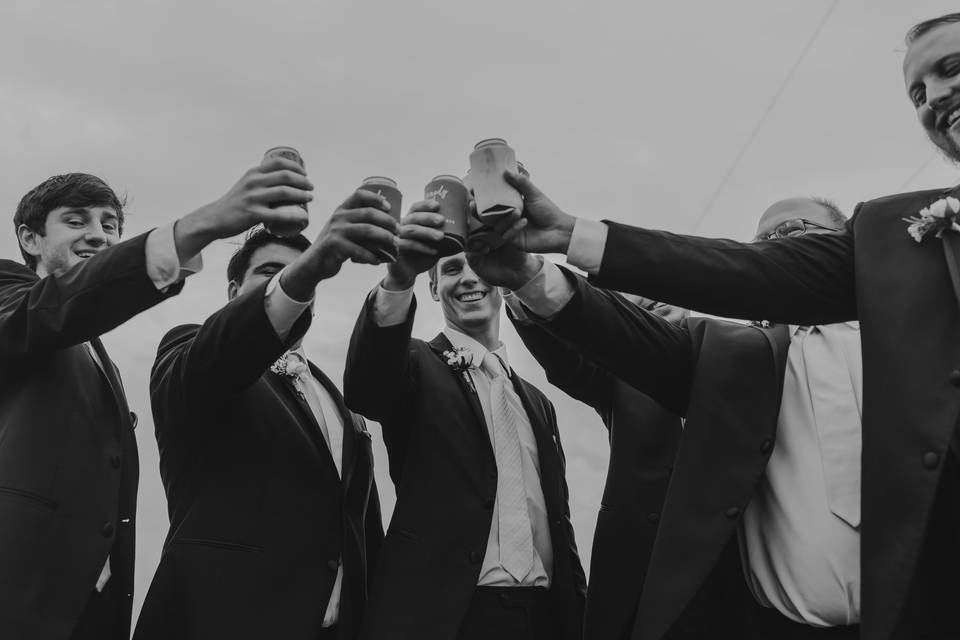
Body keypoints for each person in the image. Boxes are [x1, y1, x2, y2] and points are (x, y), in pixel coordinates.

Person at [476, 12, 960, 639]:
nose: (935, 98)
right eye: (917, 91)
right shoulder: (733, 351)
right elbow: (661, 311)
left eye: (949, 70)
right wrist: (557, 245)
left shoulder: (916, 298)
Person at [487, 197, 862, 639]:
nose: (775, 246)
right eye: (762, 241)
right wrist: (524, 278)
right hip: (669, 587)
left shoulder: (906, 335)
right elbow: (591, 342)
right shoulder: (712, 357)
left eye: (794, 229)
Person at [0, 159, 312, 640]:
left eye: (110, 225)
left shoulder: (98, 354)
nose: (100, 235)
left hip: (84, 610)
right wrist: (203, 224)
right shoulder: (11, 297)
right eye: (77, 220)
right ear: (29, 238)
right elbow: (50, 313)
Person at [135, 186, 397, 640]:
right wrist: (309, 266)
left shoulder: (338, 399)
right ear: (235, 289)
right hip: (222, 621)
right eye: (272, 273)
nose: (293, 282)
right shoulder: (191, 350)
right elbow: (217, 361)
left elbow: (361, 526)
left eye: (304, 278)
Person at [343, 199, 586, 640]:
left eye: (478, 266)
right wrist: (399, 277)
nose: (468, 278)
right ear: (433, 288)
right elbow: (366, 388)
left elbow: (558, 520)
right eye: (451, 269)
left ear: (501, 279)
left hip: (544, 617)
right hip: (450, 617)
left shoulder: (536, 402)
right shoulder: (414, 362)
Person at [506, 293, 684, 640]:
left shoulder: (732, 361)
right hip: (645, 583)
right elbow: (563, 358)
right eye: (635, 288)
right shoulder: (621, 378)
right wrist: (519, 292)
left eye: (662, 281)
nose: (652, 293)